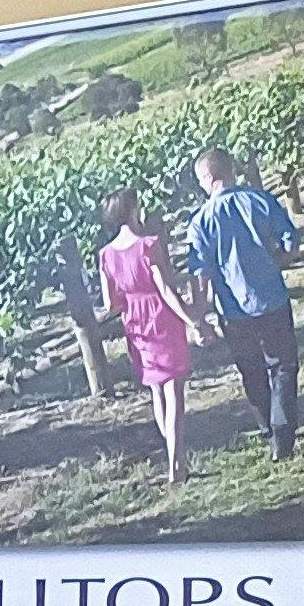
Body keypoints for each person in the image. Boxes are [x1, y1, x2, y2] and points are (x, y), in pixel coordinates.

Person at [187, 145, 304, 458]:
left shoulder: (200, 222)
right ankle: (283, 432)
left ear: (210, 178)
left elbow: (201, 274)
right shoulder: (260, 199)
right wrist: (280, 260)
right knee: (283, 366)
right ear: (230, 171)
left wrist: (199, 319)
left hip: (233, 311)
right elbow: (291, 239)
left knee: (251, 369)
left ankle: (267, 428)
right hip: (272, 300)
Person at [95, 191, 209, 486]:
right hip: (161, 319)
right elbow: (166, 291)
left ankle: (172, 459)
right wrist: (193, 320)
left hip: (135, 323)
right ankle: (176, 463)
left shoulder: (105, 255)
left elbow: (111, 304)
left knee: (156, 391)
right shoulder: (149, 245)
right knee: (174, 392)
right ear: (133, 210)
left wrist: (131, 297)